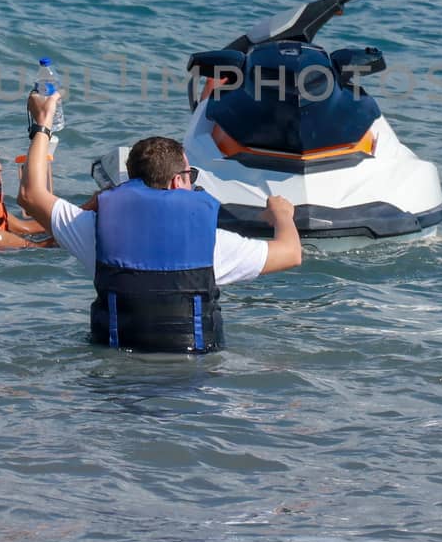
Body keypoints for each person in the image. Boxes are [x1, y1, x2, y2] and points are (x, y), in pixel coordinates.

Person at [18, 91, 302, 353]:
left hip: (117, 388)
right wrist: (282, 215)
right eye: (190, 175)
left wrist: (43, 126)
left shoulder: (95, 232)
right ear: (178, 180)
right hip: (195, 387)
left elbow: (31, 195)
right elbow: (291, 253)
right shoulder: (212, 244)